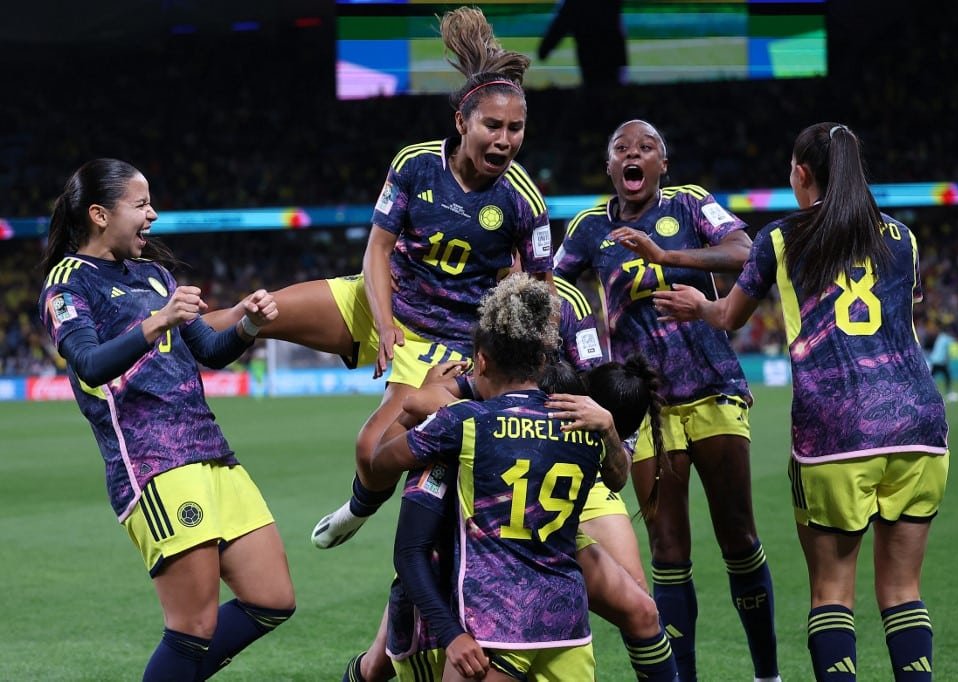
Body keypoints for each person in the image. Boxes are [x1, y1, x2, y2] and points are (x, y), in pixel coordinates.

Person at [204, 5, 553, 553]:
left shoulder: (523, 200)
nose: (505, 140)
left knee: (371, 449)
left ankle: (356, 510)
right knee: (256, 311)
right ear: (462, 123)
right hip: (380, 297)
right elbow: (378, 249)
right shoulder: (415, 165)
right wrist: (384, 325)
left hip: (445, 339)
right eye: (493, 126)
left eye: (516, 128)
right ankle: (157, 343)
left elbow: (540, 297)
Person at [653, 122, 950, 681]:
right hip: (920, 424)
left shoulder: (782, 238)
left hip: (835, 429)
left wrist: (698, 305)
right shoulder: (903, 238)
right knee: (904, 591)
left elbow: (729, 318)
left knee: (832, 592)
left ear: (803, 174)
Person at [37, 159, 295, 681]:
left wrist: (246, 323)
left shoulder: (155, 275)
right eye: (141, 204)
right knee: (192, 625)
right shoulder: (69, 281)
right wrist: (157, 322)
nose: (153, 214)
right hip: (155, 462)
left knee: (272, 599)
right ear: (99, 214)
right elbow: (88, 365)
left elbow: (212, 352)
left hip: (213, 452)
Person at [343, 280, 677, 682]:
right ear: (541, 357)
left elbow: (382, 457)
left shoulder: (475, 415)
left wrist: (424, 397)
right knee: (640, 609)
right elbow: (616, 477)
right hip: (548, 581)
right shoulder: (574, 412)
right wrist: (607, 431)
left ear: (481, 360)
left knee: (640, 609)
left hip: (507, 593)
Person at [554, 119, 780, 682]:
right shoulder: (587, 230)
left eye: (647, 146)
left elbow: (745, 251)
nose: (634, 154)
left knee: (738, 536)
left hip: (712, 387)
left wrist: (667, 257)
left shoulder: (693, 203)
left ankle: (767, 674)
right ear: (610, 167)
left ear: (663, 164)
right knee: (668, 552)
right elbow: (550, 289)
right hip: (645, 409)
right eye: (621, 148)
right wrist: (582, 350)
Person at [537, 0, 627, 89]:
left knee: (597, 90)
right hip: (613, 53)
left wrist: (545, 49)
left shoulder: (576, 3)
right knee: (614, 90)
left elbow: (561, 22)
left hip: (591, 55)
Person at [927, 324, 958, 402]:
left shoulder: (941, 337)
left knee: (933, 378)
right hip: (939, 361)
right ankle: (948, 393)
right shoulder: (946, 338)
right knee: (946, 376)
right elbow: (954, 341)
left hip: (935, 360)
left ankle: (928, 392)